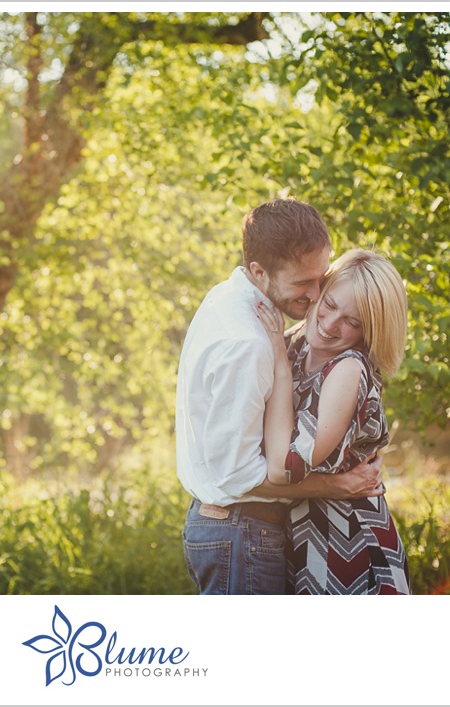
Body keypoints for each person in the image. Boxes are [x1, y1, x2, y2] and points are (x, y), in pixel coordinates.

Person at [175, 198, 385, 595]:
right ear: (259, 271)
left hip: (233, 528)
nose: (315, 294)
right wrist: (337, 486)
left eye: (320, 277)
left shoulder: (226, 297)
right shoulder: (248, 343)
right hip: (241, 531)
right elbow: (237, 474)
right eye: (302, 283)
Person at [256, 247, 411, 594]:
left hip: (347, 544)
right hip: (298, 537)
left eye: (351, 322)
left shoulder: (347, 370)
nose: (329, 325)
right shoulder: (293, 343)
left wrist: (280, 368)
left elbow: (285, 468)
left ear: (369, 331)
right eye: (329, 305)